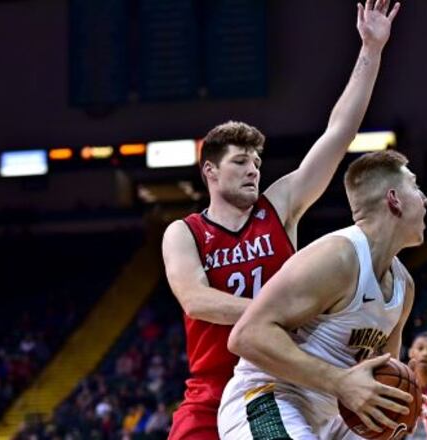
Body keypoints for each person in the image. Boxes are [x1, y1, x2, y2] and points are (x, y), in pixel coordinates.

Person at [160, 1, 402, 438]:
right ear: (210, 172)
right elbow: (196, 300)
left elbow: (338, 133)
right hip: (214, 387)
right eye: (240, 162)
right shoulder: (185, 232)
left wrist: (371, 49)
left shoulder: (280, 206)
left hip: (284, 378)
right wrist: (283, 313)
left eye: (256, 160)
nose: (253, 169)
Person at [219, 150, 427, 439]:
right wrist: (340, 382)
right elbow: (246, 335)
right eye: (416, 187)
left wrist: (401, 399)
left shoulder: (404, 287)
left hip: (333, 415)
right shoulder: (337, 256)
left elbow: (379, 371)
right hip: (269, 397)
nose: (425, 199)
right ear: (394, 199)